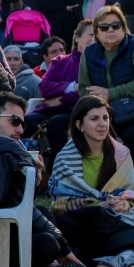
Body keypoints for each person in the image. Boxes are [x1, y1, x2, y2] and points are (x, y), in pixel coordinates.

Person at [0, 90, 89, 267]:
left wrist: (32, 180)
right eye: (14, 121)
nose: (21, 129)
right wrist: (64, 248)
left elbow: (16, 203)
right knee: (48, 244)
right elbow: (12, 203)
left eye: (22, 122)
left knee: (44, 213)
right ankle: (48, 264)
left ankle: (48, 265)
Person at [48, 95, 134, 267]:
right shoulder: (65, 159)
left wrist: (124, 203)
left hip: (114, 217)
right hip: (85, 219)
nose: (102, 124)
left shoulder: (120, 153)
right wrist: (99, 205)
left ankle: (98, 254)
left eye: (105, 118)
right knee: (66, 222)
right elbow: (60, 204)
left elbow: (132, 190)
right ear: (80, 125)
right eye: (94, 119)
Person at [78, 4, 134, 168]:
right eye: (104, 27)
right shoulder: (89, 53)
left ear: (123, 27)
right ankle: (83, 181)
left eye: (115, 25)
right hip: (107, 112)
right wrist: (97, 100)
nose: (110, 30)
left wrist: (109, 93)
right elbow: (84, 88)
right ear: (96, 32)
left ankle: (124, 181)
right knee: (71, 127)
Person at [26, 20, 93, 172]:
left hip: (77, 111)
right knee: (26, 121)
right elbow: (44, 88)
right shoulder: (59, 61)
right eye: (90, 34)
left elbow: (87, 93)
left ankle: (54, 173)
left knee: (57, 123)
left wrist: (61, 99)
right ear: (77, 37)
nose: (93, 39)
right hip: (48, 109)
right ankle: (26, 171)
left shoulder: (96, 64)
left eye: (97, 35)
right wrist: (71, 87)